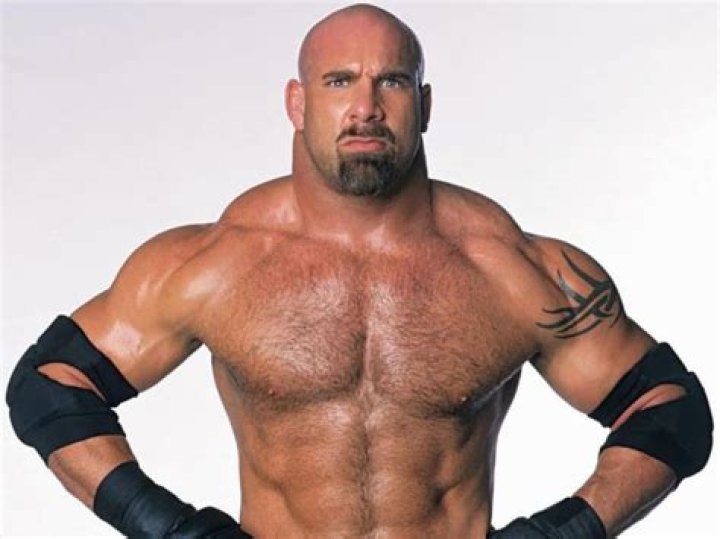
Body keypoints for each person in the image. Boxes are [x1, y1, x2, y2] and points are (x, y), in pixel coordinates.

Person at [6, 3, 713, 537]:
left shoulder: (511, 268)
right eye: (340, 81)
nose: (366, 108)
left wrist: (563, 533)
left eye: (392, 82)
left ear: (424, 105)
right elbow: (49, 390)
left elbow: (670, 413)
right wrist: (170, 528)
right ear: (297, 103)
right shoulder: (215, 263)